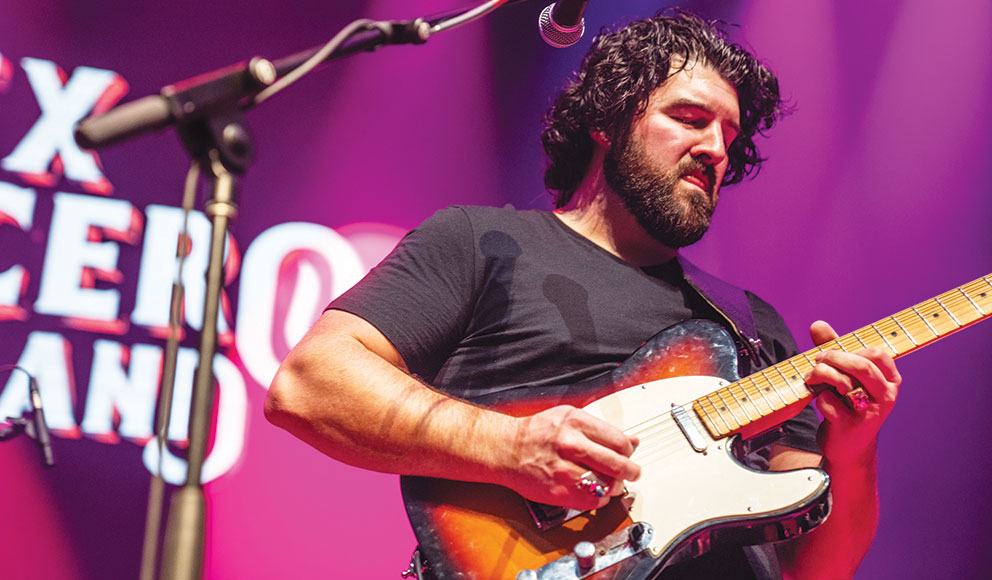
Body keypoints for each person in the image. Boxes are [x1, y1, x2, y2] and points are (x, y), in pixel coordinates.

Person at [265, 10, 901, 580]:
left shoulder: (750, 324)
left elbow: (817, 570)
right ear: (606, 119)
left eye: (728, 138)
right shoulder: (484, 242)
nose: (713, 149)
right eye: (688, 119)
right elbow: (309, 384)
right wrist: (512, 448)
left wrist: (853, 451)